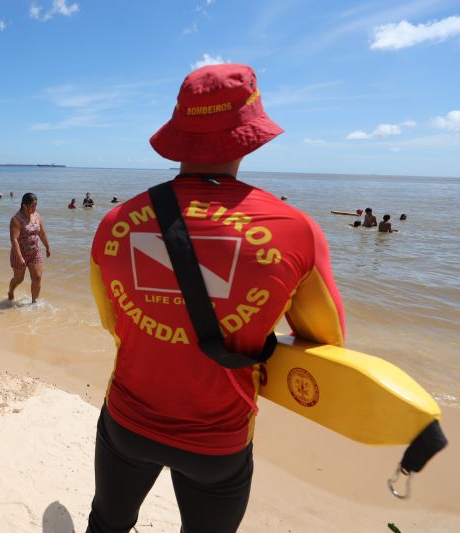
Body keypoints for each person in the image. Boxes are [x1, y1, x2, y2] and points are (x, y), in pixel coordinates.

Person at [87, 64, 345, 533]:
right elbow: (328, 342)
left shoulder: (114, 222)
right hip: (218, 440)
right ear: (249, 135)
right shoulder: (296, 230)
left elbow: (113, 321)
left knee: (107, 523)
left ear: (179, 132)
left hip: (128, 421)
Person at [8, 192, 51, 303]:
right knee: (19, 279)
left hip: (35, 252)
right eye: (32, 206)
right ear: (24, 205)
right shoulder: (16, 219)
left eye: (35, 205)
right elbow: (14, 240)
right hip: (19, 254)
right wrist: (20, 257)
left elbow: (42, 233)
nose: (34, 208)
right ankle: (11, 291)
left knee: (37, 277)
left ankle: (34, 303)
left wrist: (47, 247)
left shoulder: (37, 216)